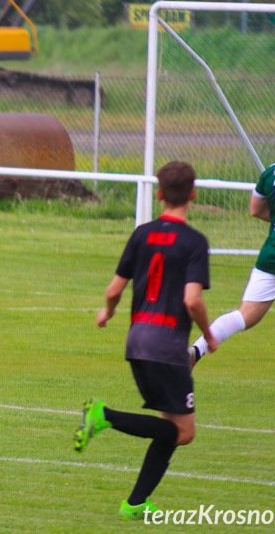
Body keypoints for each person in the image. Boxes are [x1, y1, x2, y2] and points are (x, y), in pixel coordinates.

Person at [73, 161, 219, 520]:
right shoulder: (195, 242)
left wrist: (107, 312)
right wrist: (210, 335)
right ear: (194, 194)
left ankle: (135, 503)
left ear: (158, 194)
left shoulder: (142, 234)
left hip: (137, 342)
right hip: (168, 347)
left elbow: (113, 289)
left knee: (171, 429)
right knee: (183, 433)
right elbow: (192, 300)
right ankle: (102, 415)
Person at [190, 112, 275, 366]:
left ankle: (196, 349)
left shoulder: (272, 171)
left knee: (245, 315)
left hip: (272, 258)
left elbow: (255, 209)